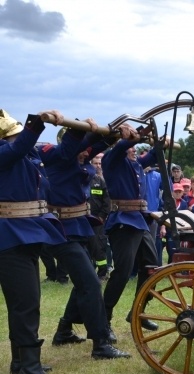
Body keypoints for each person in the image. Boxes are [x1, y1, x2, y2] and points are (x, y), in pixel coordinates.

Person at [39, 123, 130, 361]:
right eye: (83, 149)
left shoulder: (77, 157)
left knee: (84, 280)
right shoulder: (59, 157)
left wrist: (116, 132)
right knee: (90, 283)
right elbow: (76, 147)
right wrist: (84, 130)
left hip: (76, 229)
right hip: (60, 232)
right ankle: (101, 344)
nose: (87, 153)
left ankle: (64, 330)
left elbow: (96, 145)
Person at [0, 108, 68, 374]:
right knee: (26, 304)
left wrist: (83, 133)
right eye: (12, 136)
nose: (17, 140)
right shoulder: (8, 153)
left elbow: (65, 153)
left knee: (24, 302)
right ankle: (29, 369)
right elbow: (18, 148)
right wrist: (35, 123)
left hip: (25, 235)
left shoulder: (28, 154)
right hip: (7, 237)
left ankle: (20, 362)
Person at [101, 126, 163, 338]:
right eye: (132, 146)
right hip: (123, 223)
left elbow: (151, 157)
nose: (135, 149)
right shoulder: (111, 159)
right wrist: (131, 139)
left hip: (139, 221)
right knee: (122, 272)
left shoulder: (134, 164)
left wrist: (160, 144)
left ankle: (138, 312)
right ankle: (104, 319)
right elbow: (119, 149)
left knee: (151, 267)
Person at [87, 152, 111, 279]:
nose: (97, 166)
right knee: (87, 247)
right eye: (95, 163)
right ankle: (89, 272)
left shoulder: (100, 181)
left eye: (99, 164)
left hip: (97, 220)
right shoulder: (85, 179)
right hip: (84, 219)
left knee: (99, 247)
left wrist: (102, 216)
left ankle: (103, 273)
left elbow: (107, 201)